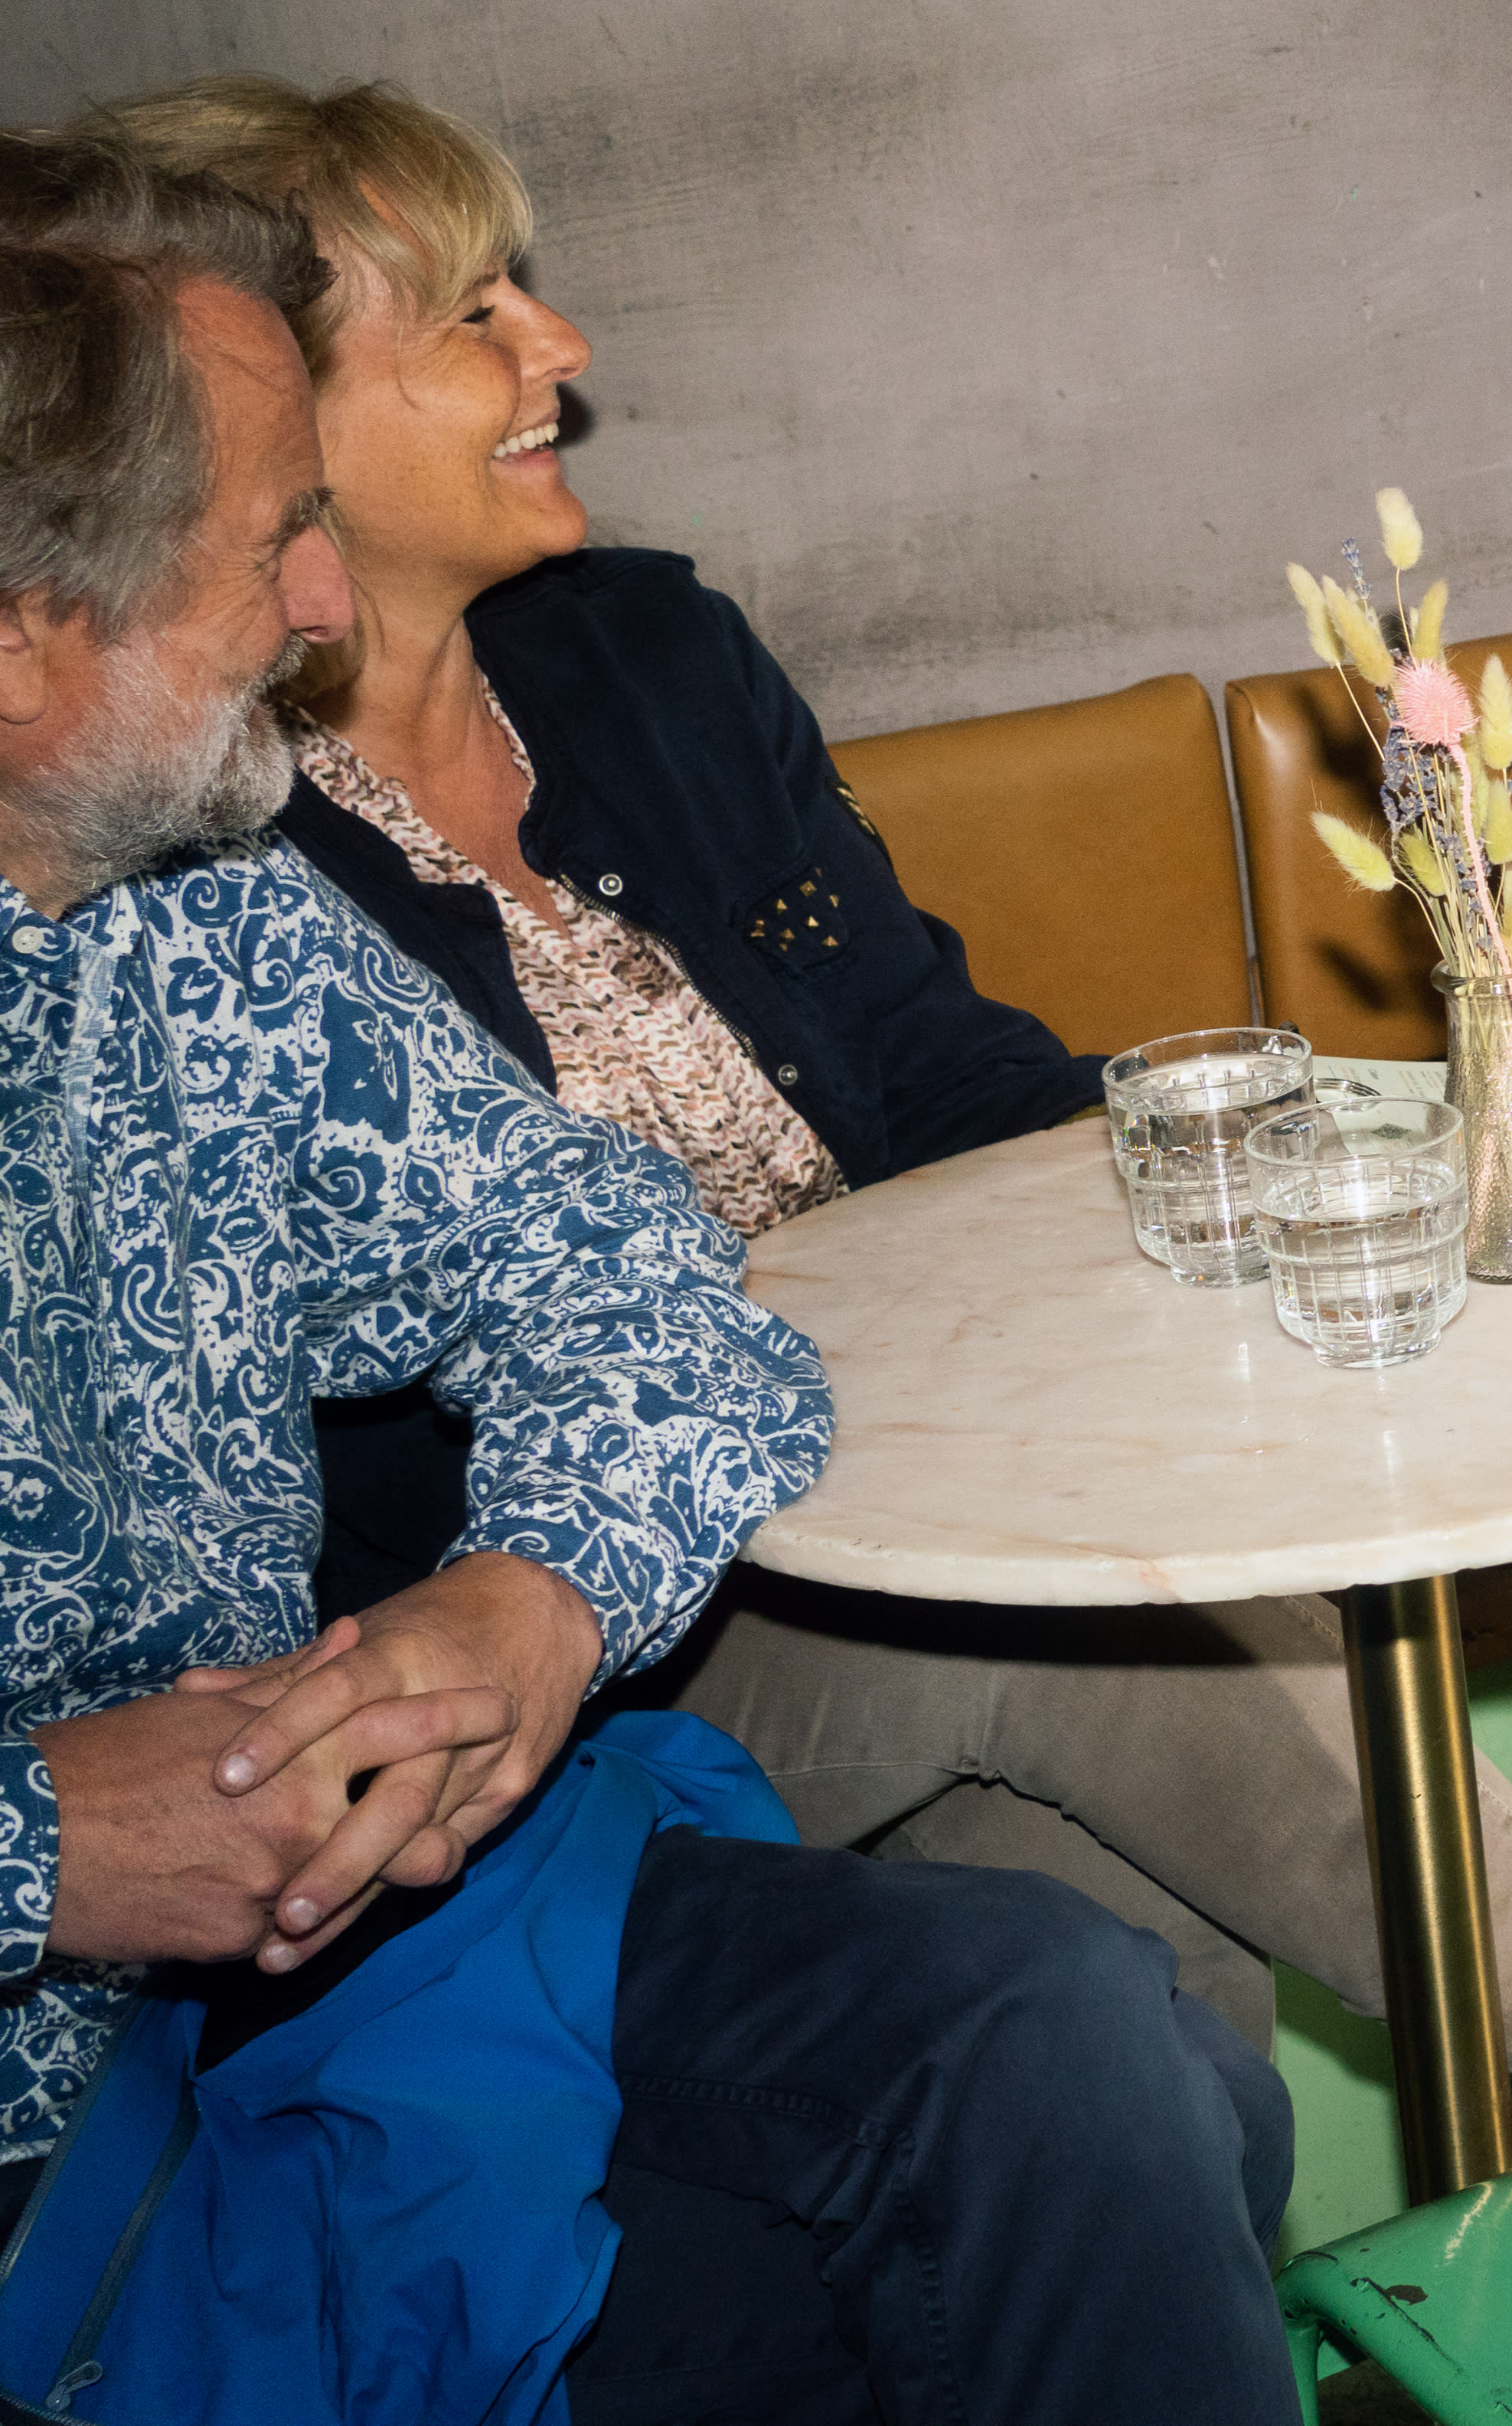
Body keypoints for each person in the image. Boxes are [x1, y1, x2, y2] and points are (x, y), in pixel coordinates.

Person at [84, 75, 1512, 2127]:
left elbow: (941, 1077)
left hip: (928, 1520)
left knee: (1156, 2051)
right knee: (1090, 1614)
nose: (559, 350)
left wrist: (1265, 1159)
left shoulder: (642, 654)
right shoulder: (192, 857)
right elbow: (344, 1488)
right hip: (593, 1668)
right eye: (478, 313)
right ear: (272, 417)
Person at [0, 129, 1295, 2421]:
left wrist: (531, 1601)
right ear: (21, 642)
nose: (317, 607)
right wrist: (34, 1853)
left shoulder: (195, 931)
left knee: (1085, 2054)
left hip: (347, 1949)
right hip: (69, 2134)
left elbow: (623, 1266)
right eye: (264, 540)